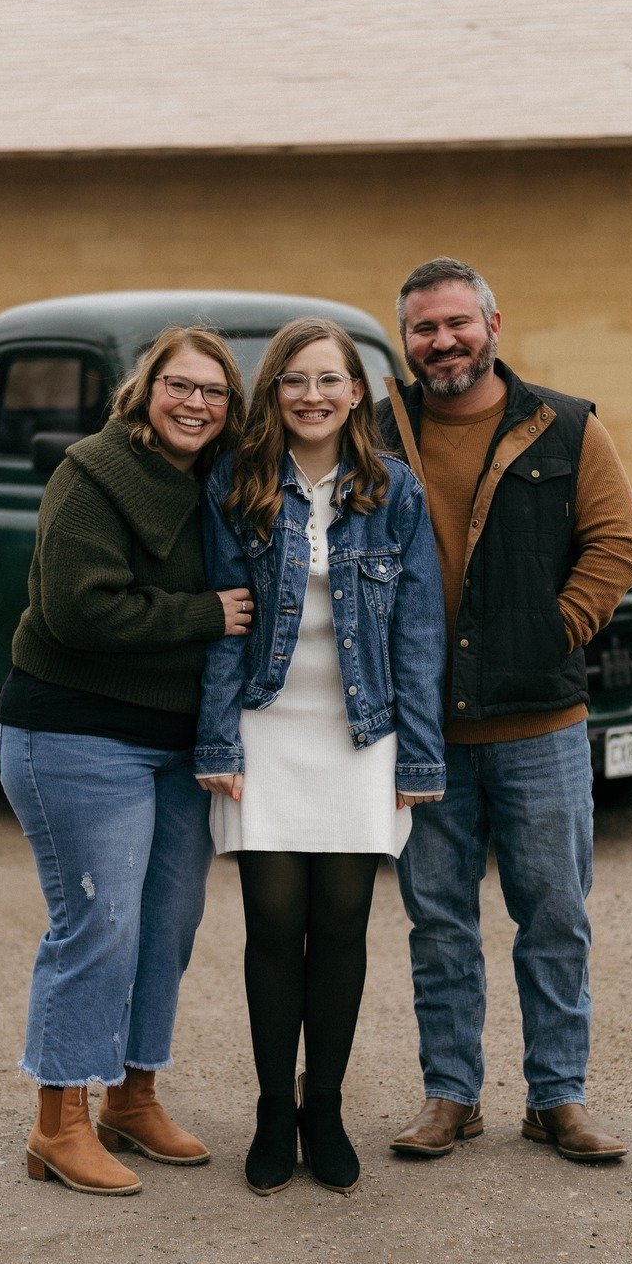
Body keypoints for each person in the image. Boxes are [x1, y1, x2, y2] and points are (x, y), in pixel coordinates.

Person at [377, 258, 632, 1164]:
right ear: (405, 341)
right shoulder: (376, 432)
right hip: (423, 735)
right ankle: (450, 1095)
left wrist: (552, 633)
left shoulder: (565, 426)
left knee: (555, 916)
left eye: (456, 322)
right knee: (440, 922)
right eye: (423, 329)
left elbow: (617, 544)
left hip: (540, 728)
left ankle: (556, 1098)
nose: (442, 341)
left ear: (494, 323)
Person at [0, 327, 255, 1196]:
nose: (195, 404)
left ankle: (132, 1095)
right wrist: (203, 616)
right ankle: (55, 1124)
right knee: (96, 922)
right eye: (179, 386)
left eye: (213, 393)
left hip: (173, 743)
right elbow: (77, 611)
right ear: (145, 391)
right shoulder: (92, 475)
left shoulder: (219, 488)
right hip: (73, 733)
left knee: (167, 923)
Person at [195, 318, 446, 1196]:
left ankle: (324, 1106)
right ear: (274, 392)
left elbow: (417, 634)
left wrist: (417, 759)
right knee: (271, 926)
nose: (312, 396)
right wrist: (217, 738)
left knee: (340, 926)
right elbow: (223, 623)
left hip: (360, 736)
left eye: (329, 380)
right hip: (264, 729)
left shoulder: (394, 492)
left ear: (355, 392)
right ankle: (272, 1109)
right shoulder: (238, 482)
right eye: (295, 380)